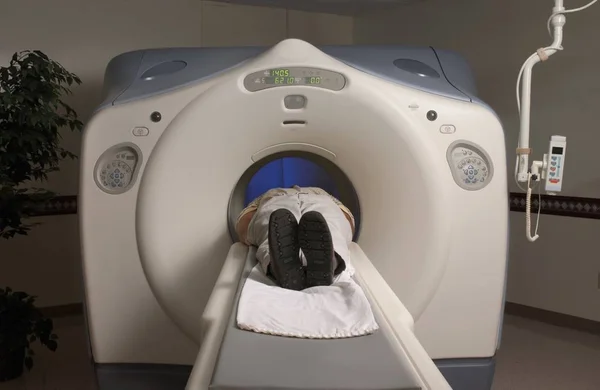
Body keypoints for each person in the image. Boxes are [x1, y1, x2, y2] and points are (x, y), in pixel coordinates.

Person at [236, 186, 355, 291]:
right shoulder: (267, 194)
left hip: (297, 200)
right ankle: (331, 263)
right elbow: (346, 218)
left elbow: (246, 219)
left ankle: (277, 268)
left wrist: (248, 234)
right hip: (284, 200)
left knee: (270, 232)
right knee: (331, 228)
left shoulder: (324, 193)